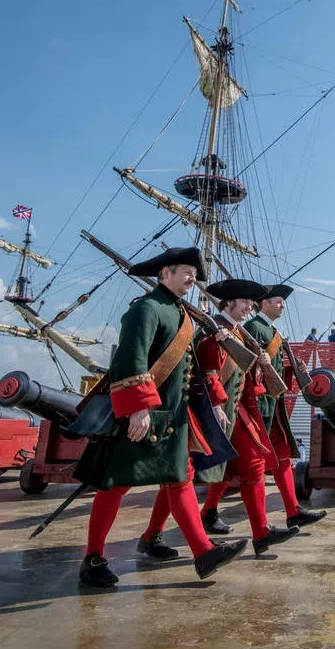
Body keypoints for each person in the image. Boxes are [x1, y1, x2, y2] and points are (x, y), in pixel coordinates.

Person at [75, 247, 246, 588]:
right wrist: (138, 406)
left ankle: (203, 552)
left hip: (173, 418)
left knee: (180, 480)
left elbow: (191, 369)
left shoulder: (182, 314)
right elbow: (130, 359)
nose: (192, 278)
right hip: (142, 416)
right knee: (115, 485)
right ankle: (93, 557)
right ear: (164, 273)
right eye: (186, 271)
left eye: (194, 274)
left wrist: (212, 403)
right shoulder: (146, 310)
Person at [188, 279, 299, 555]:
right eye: (246, 301)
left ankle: (261, 533)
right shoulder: (214, 330)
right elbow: (209, 370)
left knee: (254, 466)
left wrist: (261, 366)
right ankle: (153, 533)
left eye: (251, 301)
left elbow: (244, 375)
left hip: (237, 411)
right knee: (180, 477)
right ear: (230, 303)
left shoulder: (235, 332)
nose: (250, 305)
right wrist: (216, 403)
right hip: (217, 412)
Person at [206, 284, 325, 532]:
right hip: (256, 404)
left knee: (281, 456)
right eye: (278, 302)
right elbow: (245, 369)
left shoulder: (272, 332)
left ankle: (292, 511)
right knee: (242, 462)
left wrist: (294, 369)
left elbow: (274, 370)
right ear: (265, 304)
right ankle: (211, 511)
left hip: (272, 403)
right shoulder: (253, 328)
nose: (282, 306)